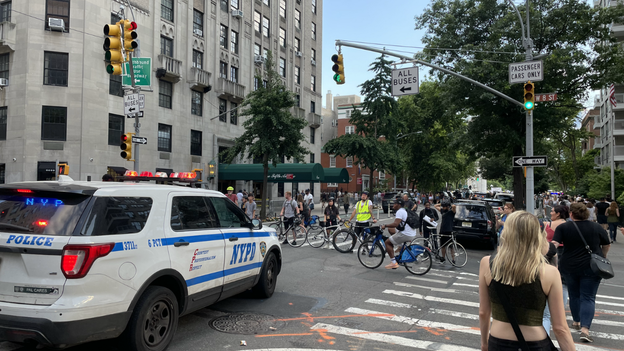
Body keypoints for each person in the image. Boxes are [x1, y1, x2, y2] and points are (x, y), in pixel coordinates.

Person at [479, 211, 575, 351]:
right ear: (537, 236)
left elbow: (483, 312)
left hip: (498, 341)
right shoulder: (549, 272)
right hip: (535, 344)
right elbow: (560, 328)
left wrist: (484, 344)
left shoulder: (487, 263)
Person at [551, 203, 611, 343]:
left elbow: (555, 244)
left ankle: (577, 321)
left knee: (574, 294)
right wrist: (603, 256)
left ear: (571, 214)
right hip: (592, 266)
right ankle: (585, 329)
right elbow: (606, 244)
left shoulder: (563, 227)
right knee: (588, 297)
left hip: (569, 266)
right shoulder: (596, 227)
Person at [381, 199, 418, 269]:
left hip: (406, 234)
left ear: (399, 205)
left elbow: (395, 224)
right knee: (390, 230)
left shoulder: (400, 211)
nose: (393, 205)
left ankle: (393, 263)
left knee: (388, 242)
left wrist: (385, 225)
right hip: (412, 233)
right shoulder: (405, 210)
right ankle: (400, 246)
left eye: (395, 204)